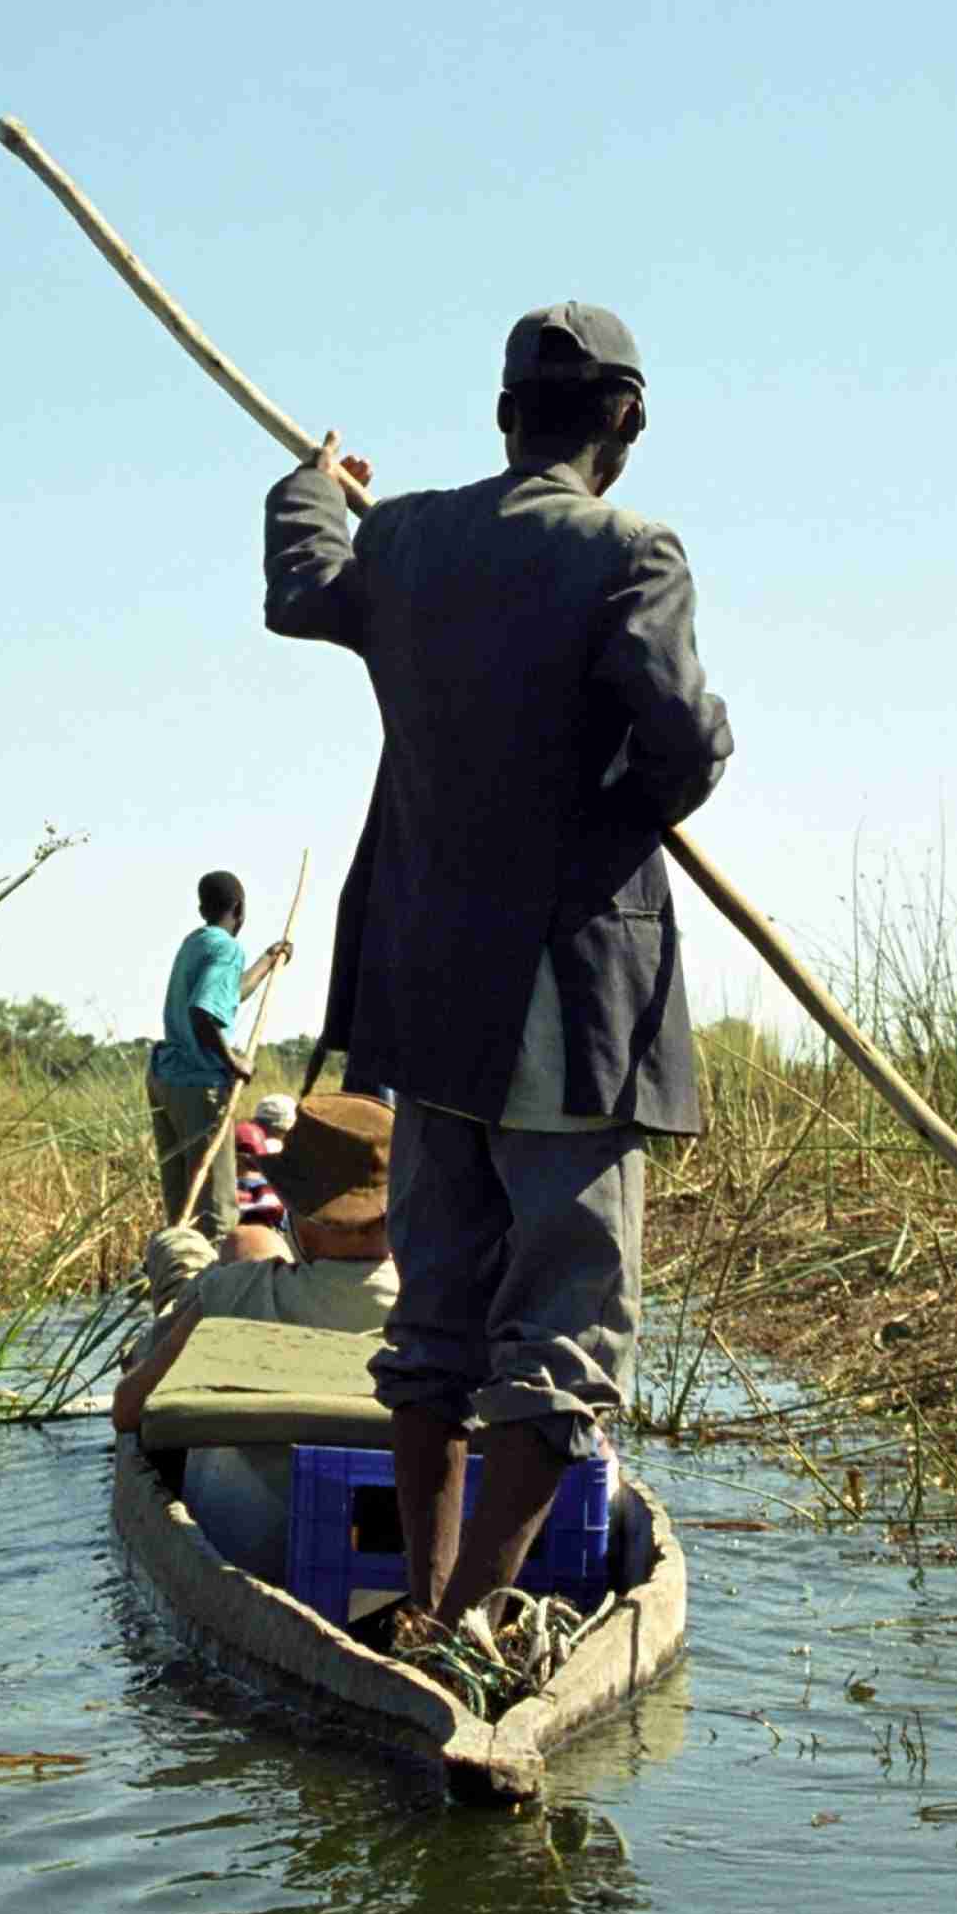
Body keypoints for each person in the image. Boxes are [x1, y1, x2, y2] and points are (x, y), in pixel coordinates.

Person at [263, 301, 731, 1639]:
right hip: (572, 990)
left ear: (504, 413)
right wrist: (613, 807)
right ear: (624, 425)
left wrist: (313, 489)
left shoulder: (402, 536)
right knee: (569, 1325)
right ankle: (472, 1627)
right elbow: (684, 740)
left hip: (428, 990)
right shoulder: (631, 549)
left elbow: (306, 584)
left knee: (439, 1312)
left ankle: (417, 1607)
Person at [114, 1092, 399, 1423]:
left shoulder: (234, 1293)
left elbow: (127, 1410)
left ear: (296, 1212)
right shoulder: (437, 1309)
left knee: (180, 1246)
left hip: (249, 1467)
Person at [145, 870, 291, 1242]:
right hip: (200, 1084)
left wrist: (268, 960)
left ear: (201, 909)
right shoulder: (226, 947)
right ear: (239, 909)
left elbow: (228, 994)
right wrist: (232, 1061)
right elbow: (204, 1011)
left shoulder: (196, 941)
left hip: (166, 1078)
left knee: (181, 1204)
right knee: (217, 1209)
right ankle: (217, 1290)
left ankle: (179, 1281)